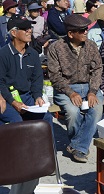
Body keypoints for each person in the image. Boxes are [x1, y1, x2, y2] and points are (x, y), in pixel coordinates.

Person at [0, 14, 54, 194]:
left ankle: (43, 158)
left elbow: (37, 78)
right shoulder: (4, 54)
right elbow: (1, 83)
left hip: (28, 97)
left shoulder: (32, 54)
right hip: (8, 98)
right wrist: (13, 101)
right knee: (16, 123)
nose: (30, 31)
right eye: (25, 29)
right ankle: (19, 165)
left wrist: (38, 96)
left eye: (30, 28)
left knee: (46, 118)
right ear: (14, 33)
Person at [47, 14, 103, 163]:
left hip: (89, 86)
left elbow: (97, 69)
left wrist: (93, 91)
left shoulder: (91, 45)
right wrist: (70, 92)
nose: (86, 32)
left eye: (86, 29)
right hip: (66, 88)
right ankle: (81, 147)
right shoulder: (56, 48)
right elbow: (54, 75)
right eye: (82, 30)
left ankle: (77, 146)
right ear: (71, 34)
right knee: (72, 112)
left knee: (96, 110)